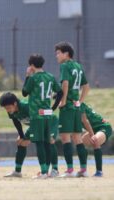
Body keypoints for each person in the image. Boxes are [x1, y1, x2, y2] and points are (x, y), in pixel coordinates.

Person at [0, 92, 61, 178]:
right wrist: (21, 135)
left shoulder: (27, 107)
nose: (8, 110)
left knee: (50, 141)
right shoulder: (11, 110)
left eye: (9, 108)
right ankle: (17, 171)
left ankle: (54, 170)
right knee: (21, 142)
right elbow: (16, 121)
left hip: (49, 121)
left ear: (15, 103)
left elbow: (41, 116)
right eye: (6, 108)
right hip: (35, 124)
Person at [22, 54, 62, 179]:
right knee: (48, 142)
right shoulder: (50, 76)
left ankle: (44, 172)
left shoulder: (33, 78)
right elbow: (60, 92)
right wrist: (54, 107)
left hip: (37, 115)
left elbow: (24, 92)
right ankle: (53, 170)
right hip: (48, 114)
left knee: (39, 143)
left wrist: (27, 76)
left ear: (32, 65)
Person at [55, 41, 90, 177]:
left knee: (65, 137)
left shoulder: (65, 66)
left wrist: (63, 101)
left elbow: (65, 83)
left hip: (68, 106)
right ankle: (84, 169)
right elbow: (86, 86)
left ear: (66, 54)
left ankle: (69, 170)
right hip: (76, 106)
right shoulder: (78, 66)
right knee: (78, 138)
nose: (56, 56)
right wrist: (80, 101)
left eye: (58, 53)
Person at [81, 103, 112, 177]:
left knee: (95, 141)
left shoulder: (77, 105)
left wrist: (92, 135)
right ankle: (83, 170)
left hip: (104, 127)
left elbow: (85, 121)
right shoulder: (70, 108)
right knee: (80, 144)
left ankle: (99, 171)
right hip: (93, 129)